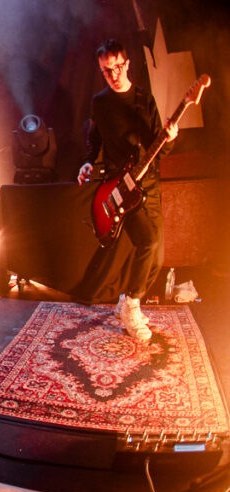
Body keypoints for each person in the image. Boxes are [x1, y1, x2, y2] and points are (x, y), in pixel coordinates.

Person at [76, 39, 178, 342]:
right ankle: (132, 306)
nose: (113, 74)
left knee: (156, 254)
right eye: (106, 71)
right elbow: (95, 141)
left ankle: (126, 301)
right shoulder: (100, 102)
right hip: (121, 186)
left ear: (127, 63)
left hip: (150, 183)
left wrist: (169, 138)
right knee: (147, 241)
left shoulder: (143, 100)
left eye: (117, 67)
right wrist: (86, 163)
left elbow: (162, 150)